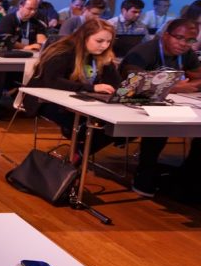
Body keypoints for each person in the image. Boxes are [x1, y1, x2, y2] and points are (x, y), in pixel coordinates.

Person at [120, 18, 201, 196]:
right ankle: (144, 175)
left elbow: (198, 77)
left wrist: (177, 86)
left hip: (168, 103)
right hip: (131, 104)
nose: (183, 44)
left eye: (189, 40)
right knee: (161, 123)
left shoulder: (187, 54)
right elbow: (135, 84)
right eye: (179, 38)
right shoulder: (143, 52)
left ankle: (189, 179)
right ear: (165, 35)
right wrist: (175, 87)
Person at [25, 19, 121, 157]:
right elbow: (52, 81)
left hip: (81, 101)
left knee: (120, 127)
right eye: (99, 41)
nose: (104, 46)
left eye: (108, 42)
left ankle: (80, 153)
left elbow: (115, 83)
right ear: (84, 37)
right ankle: (79, 153)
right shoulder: (63, 50)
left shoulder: (103, 55)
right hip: (45, 101)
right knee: (97, 128)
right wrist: (92, 88)